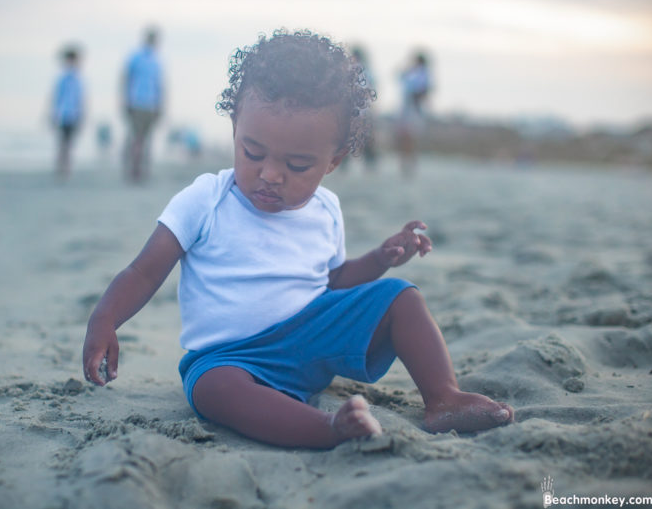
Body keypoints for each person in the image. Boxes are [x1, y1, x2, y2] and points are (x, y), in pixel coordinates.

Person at [82, 30, 513, 449]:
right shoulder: (205, 201)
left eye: (298, 164)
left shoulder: (325, 210)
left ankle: (443, 398)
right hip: (233, 359)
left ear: (333, 161)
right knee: (211, 389)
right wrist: (105, 319)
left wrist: (381, 259)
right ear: (235, 127)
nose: (270, 174)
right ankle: (325, 429)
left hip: (311, 339)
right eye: (253, 153)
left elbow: (334, 281)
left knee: (402, 298)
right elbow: (143, 272)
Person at [122, 27, 164, 183]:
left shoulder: (154, 60)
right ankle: (136, 170)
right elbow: (127, 78)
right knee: (139, 139)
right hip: (140, 102)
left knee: (142, 139)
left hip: (146, 103)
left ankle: (139, 170)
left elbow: (159, 85)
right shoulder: (140, 58)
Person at [340, 44, 378, 172]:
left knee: (354, 135)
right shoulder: (364, 70)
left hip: (359, 107)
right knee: (358, 135)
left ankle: (366, 160)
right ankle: (350, 161)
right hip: (358, 107)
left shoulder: (358, 70)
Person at [51, 46, 85, 179]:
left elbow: (80, 99)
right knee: (63, 142)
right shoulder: (64, 78)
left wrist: (82, 114)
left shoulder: (77, 78)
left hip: (73, 114)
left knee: (68, 142)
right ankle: (62, 167)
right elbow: (57, 97)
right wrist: (54, 113)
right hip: (64, 114)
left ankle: (65, 167)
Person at [396, 50, 432, 175]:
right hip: (407, 106)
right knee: (404, 136)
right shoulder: (412, 72)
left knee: (412, 136)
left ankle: (411, 162)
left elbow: (425, 90)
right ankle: (405, 162)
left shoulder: (424, 73)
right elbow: (400, 76)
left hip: (415, 107)